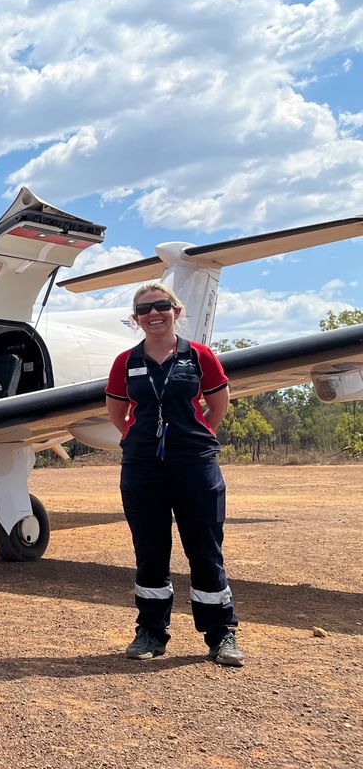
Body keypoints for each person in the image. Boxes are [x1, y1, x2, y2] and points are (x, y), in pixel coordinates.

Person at [105, 282, 243, 666]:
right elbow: (118, 413)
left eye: (161, 306)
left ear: (176, 311)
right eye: (145, 309)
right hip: (143, 464)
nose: (154, 313)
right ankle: (151, 631)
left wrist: (191, 437)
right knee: (150, 550)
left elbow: (217, 406)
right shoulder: (125, 362)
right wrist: (141, 439)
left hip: (194, 461)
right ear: (136, 319)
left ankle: (221, 634)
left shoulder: (199, 356)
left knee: (204, 548)